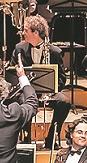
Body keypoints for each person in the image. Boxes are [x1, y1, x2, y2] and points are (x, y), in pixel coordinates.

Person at [12, 15, 71, 148]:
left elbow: (61, 78)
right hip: (26, 93)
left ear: (36, 32)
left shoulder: (55, 52)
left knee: (65, 103)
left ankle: (51, 137)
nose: (23, 33)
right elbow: (12, 74)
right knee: (22, 102)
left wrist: (51, 88)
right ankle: (26, 139)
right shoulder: (19, 49)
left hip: (48, 92)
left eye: (26, 30)